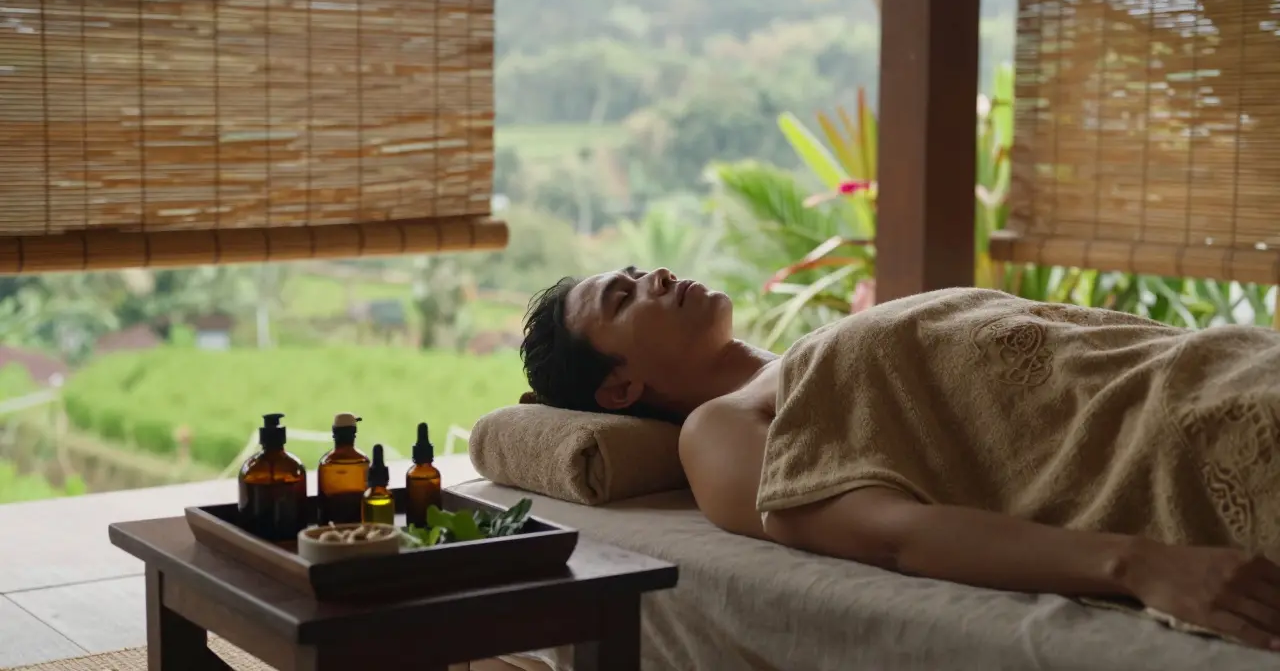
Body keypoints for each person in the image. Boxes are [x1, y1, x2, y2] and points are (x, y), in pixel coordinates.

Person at [519, 266, 1280, 651]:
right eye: (622, 299)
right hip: (1177, 433)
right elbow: (892, 535)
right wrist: (1137, 565)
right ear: (620, 388)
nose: (654, 276)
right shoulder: (717, 428)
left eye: (639, 271)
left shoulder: (804, 358)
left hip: (1206, 363)